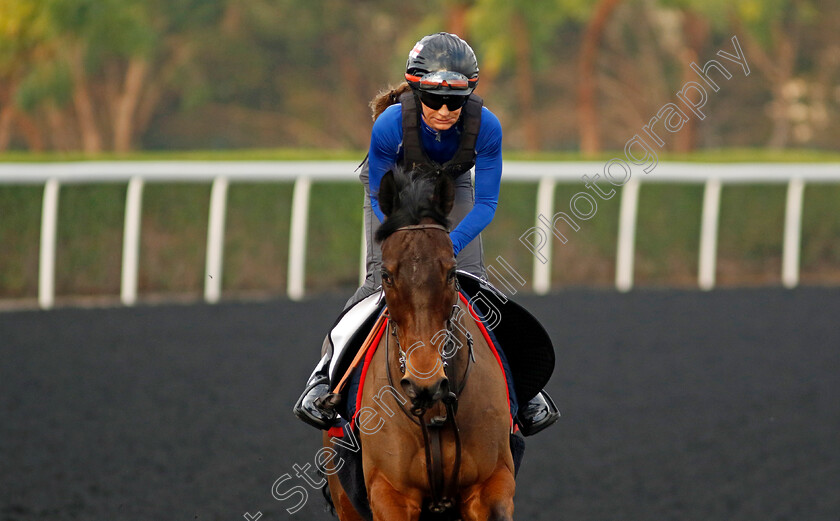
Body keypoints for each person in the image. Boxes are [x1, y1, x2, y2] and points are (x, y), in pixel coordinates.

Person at [293, 32, 559, 436]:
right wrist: (408, 246)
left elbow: (486, 205)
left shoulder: (486, 127)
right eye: (434, 99)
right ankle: (323, 378)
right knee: (377, 283)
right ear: (416, 90)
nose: (445, 110)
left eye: (457, 100)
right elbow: (380, 196)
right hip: (393, 188)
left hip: (450, 186)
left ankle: (525, 391)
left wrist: (444, 249)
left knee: (473, 283)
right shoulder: (388, 125)